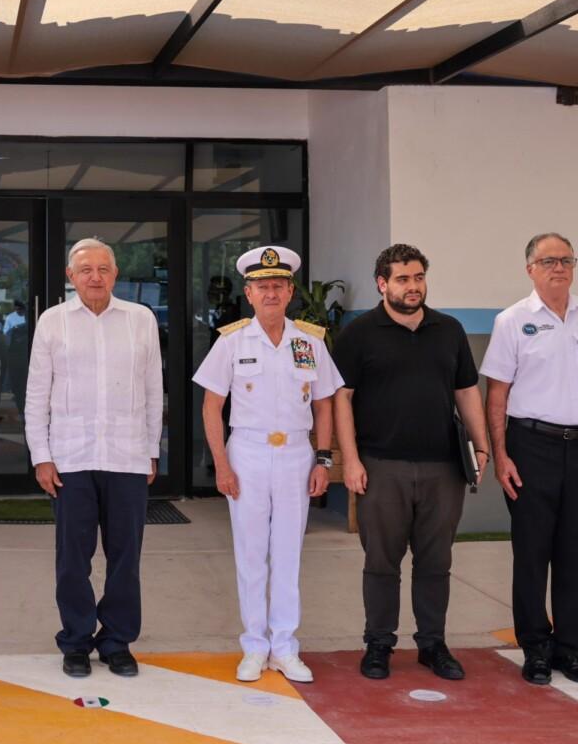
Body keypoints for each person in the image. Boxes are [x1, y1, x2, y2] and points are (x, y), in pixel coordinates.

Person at [333, 244, 488, 682]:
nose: (413, 286)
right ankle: (379, 644)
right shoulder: (359, 334)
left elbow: (466, 393)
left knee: (436, 562)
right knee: (381, 562)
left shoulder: (450, 330)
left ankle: (432, 644)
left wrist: (483, 448)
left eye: (418, 277)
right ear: (383, 284)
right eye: (402, 279)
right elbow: (341, 399)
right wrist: (351, 460)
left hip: (444, 469)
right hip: (382, 467)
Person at [194, 245, 339, 684]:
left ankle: (285, 647)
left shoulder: (309, 341)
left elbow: (325, 405)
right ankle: (254, 646)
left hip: (297, 454)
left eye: (278, 285)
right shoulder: (232, 340)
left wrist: (323, 459)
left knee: (289, 554)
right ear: (249, 292)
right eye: (262, 286)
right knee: (251, 553)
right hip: (249, 454)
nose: (270, 293)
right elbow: (211, 406)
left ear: (291, 291)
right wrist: (222, 464)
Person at [26, 239, 162, 679]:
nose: (95, 277)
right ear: (71, 276)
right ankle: (77, 641)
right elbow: (35, 395)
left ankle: (118, 641)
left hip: (126, 455)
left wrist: (151, 450)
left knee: (126, 556)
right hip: (70, 457)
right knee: (72, 559)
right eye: (85, 270)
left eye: (103, 268)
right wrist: (41, 456)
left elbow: (153, 390)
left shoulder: (140, 320)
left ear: (116, 274)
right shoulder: (52, 322)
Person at [481, 232, 578, 686]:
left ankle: (570, 647)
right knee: (532, 552)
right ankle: (536, 648)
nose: (559, 268)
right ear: (530, 270)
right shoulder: (512, 321)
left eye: (566, 260)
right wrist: (501, 456)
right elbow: (496, 395)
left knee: (573, 553)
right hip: (531, 446)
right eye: (549, 261)